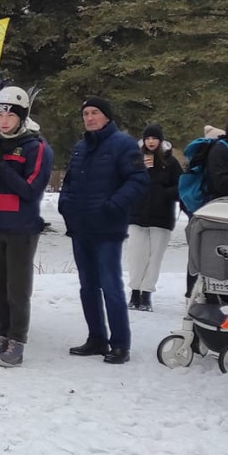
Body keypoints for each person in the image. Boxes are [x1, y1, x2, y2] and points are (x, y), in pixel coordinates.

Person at [57, 97, 148, 365]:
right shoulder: (80, 147)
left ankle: (120, 344)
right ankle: (96, 337)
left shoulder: (124, 144)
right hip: (81, 227)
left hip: (107, 228)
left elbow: (138, 180)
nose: (89, 117)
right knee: (88, 287)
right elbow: (70, 181)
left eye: (95, 112)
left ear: (106, 116)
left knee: (110, 286)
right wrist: (65, 205)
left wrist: (113, 206)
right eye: (85, 113)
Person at [0, 86, 54, 367]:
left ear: (22, 117)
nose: (4, 120)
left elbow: (30, 190)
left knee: (17, 288)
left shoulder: (36, 147)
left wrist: (0, 166)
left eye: (10, 114)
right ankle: (4, 331)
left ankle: (17, 341)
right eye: (0, 114)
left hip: (21, 227)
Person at [126, 124, 181, 312]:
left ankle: (146, 294)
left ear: (160, 140)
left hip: (161, 217)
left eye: (154, 138)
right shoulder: (136, 159)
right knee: (136, 256)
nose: (151, 142)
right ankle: (134, 292)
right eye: (148, 138)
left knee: (154, 257)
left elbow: (181, 186)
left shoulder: (171, 162)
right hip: (137, 215)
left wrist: (163, 194)